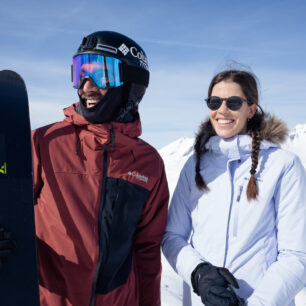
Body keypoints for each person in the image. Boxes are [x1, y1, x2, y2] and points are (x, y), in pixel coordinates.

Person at [32, 31, 169, 306]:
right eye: (79, 74)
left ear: (131, 85)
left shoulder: (148, 163)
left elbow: (147, 252)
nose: (86, 87)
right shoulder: (43, 143)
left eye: (100, 74)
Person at [162, 69, 306, 306]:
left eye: (234, 102)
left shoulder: (283, 165)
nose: (222, 110)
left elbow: (296, 255)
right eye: (215, 102)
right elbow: (172, 236)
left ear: (251, 109)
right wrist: (199, 273)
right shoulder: (195, 165)